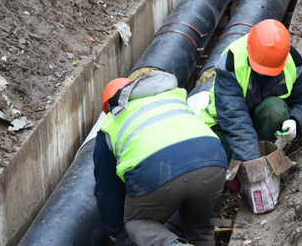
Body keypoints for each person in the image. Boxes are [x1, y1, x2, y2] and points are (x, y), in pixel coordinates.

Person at [93, 71, 227, 246]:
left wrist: (117, 233)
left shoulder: (110, 126)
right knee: (200, 229)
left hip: (158, 171)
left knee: (138, 223)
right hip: (213, 162)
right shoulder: (171, 99)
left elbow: (107, 190)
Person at [198, 19, 302, 162]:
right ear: (249, 50)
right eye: (259, 69)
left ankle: (258, 154)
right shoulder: (231, 64)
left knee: (274, 110)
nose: (263, 74)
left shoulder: (296, 65)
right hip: (223, 126)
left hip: (259, 122)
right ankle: (239, 167)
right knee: (211, 159)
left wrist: (295, 120)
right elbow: (235, 119)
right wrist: (253, 164)